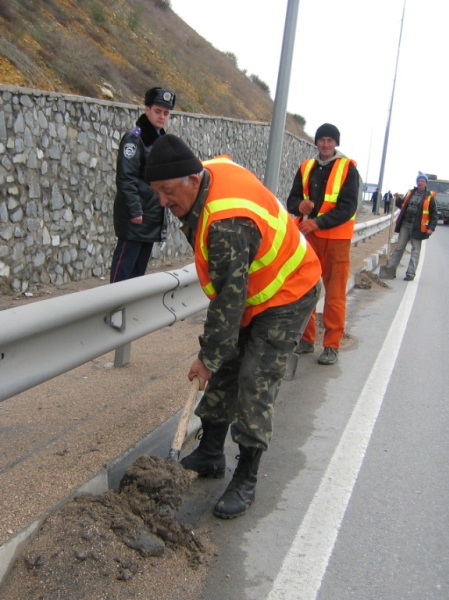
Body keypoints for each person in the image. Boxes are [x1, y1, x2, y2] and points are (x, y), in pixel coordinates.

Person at [144, 134, 321, 519]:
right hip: (255, 288)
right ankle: (210, 454)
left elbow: (228, 300)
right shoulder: (207, 175)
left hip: (290, 290)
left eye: (167, 191)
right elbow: (231, 297)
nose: (162, 201)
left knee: (255, 378)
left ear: (192, 179)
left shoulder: (227, 222)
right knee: (225, 366)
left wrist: (206, 357)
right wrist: (216, 357)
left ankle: (246, 475)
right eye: (156, 192)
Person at [286, 123, 359, 366]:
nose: (325, 144)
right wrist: (300, 206)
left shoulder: (348, 168)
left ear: (336, 143)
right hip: (309, 239)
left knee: (335, 295)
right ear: (316, 142)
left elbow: (348, 208)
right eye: (322, 140)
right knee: (304, 289)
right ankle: (306, 340)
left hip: (336, 241)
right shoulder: (306, 167)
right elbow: (292, 200)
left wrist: (317, 223)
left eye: (330, 140)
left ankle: (331, 345)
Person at [109, 87, 176, 283]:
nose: (162, 116)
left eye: (166, 113)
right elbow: (126, 177)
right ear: (146, 109)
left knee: (138, 272)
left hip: (152, 214)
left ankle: (130, 310)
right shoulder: (135, 139)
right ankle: (113, 308)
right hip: (136, 217)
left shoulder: (161, 140)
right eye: (158, 111)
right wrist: (135, 211)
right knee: (123, 269)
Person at [385, 172, 437, 281]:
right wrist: (398, 199)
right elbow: (402, 206)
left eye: (422, 181)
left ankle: (410, 274)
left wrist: (431, 228)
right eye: (418, 181)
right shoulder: (410, 193)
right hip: (405, 225)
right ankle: (390, 271)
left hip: (418, 228)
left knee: (415, 251)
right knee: (399, 248)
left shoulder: (429, 197)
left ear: (426, 183)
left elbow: (434, 214)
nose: (420, 182)